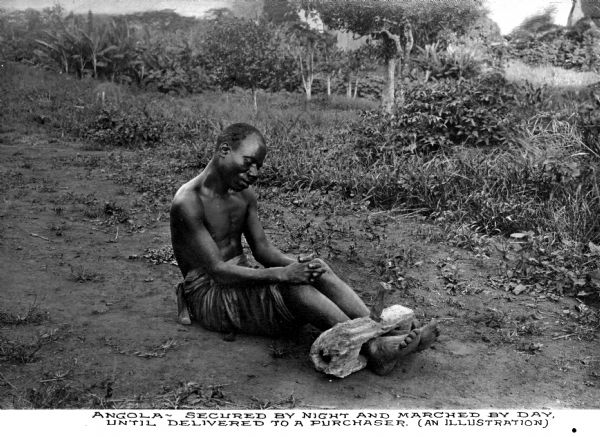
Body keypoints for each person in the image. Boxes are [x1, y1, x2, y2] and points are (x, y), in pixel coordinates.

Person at [170, 123, 438, 375]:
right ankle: (373, 349)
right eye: (249, 163)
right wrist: (283, 274)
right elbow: (218, 271)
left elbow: (263, 251)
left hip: (239, 280)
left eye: (259, 167)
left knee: (315, 269)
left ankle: (377, 331)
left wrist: (298, 264)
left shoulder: (244, 196)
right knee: (291, 287)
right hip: (210, 294)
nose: (254, 173)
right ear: (224, 151)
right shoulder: (188, 202)